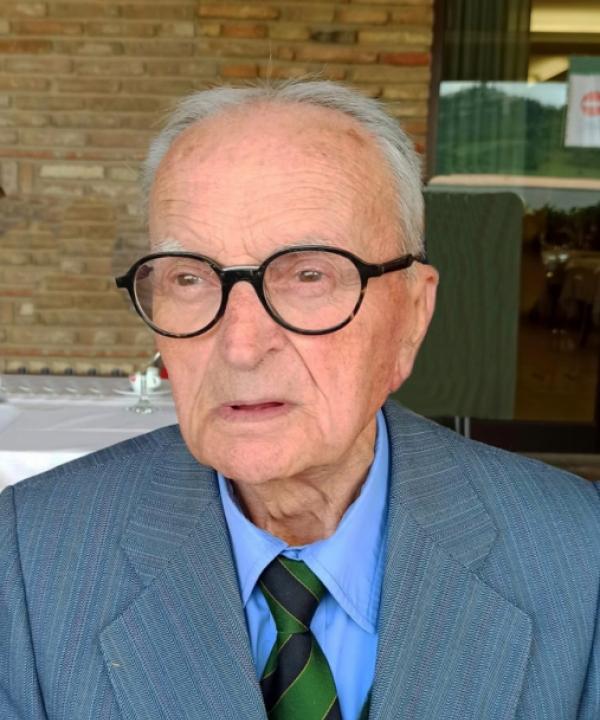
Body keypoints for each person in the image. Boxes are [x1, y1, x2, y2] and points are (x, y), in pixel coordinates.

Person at [1, 80, 599, 720]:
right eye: (189, 278)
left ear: (413, 314)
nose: (240, 346)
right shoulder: (29, 561)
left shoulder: (578, 557)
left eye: (309, 274)